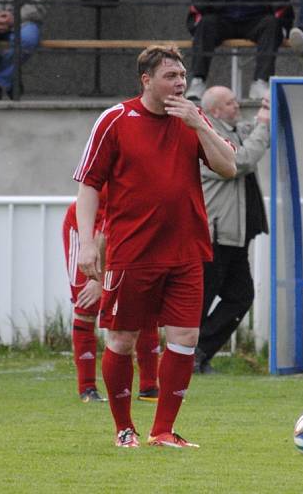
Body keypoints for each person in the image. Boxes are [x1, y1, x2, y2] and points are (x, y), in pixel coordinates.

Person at [74, 44, 236, 449]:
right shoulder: (116, 119)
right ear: (147, 80)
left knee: (184, 337)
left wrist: (200, 125)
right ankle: (123, 428)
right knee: (122, 339)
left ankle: (163, 430)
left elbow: (229, 168)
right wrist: (88, 245)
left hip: (186, 251)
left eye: (182, 76)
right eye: (170, 76)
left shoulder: (192, 120)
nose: (179, 83)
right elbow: (89, 183)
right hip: (132, 251)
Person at [194, 86, 270, 373]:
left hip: (235, 234)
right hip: (213, 235)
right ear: (214, 111)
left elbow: (253, 136)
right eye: (229, 102)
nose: (236, 105)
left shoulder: (232, 128)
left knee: (241, 296)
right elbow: (240, 161)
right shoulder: (208, 136)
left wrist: (268, 113)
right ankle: (185, 356)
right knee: (200, 302)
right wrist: (263, 124)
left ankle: (198, 351)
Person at [62, 192, 160, 403]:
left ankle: (150, 387)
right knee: (87, 303)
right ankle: (87, 388)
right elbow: (103, 233)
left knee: (143, 304)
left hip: (126, 232)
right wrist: (97, 278)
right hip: (84, 231)